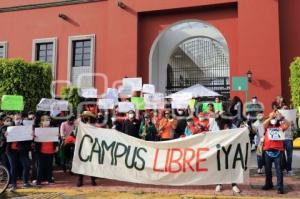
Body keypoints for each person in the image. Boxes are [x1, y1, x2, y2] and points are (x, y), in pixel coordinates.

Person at [262, 111, 290, 194]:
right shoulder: (267, 126)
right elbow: (264, 124)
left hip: (278, 151)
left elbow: (288, 124)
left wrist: (282, 117)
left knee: (279, 170)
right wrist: (271, 117)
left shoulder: (281, 127)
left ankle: (280, 187)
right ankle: (268, 184)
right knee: (267, 170)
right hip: (267, 150)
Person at [214, 112, 241, 194]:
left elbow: (238, 135)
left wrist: (242, 130)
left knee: (232, 167)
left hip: (231, 150)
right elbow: (212, 135)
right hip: (219, 149)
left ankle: (233, 184)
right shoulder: (216, 125)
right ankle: (219, 183)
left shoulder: (232, 126)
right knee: (220, 167)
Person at [6, 114, 32, 192]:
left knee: (26, 165)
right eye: (16, 118)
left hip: (22, 151)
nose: (18, 120)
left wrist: (31, 136)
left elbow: (28, 140)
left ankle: (25, 182)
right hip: (11, 151)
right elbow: (2, 133)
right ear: (13, 119)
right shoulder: (9, 127)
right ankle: (14, 184)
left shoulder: (25, 127)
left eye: (20, 118)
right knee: (13, 167)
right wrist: (5, 135)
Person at [34, 115, 58, 186]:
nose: (47, 121)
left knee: (49, 166)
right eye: (46, 120)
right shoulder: (38, 130)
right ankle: (39, 181)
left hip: (50, 150)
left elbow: (55, 139)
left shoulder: (52, 129)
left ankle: (50, 180)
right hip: (41, 151)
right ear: (42, 121)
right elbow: (35, 141)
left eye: (48, 119)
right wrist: (34, 136)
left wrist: (56, 146)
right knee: (40, 166)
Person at [76, 111, 97, 187]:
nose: (86, 117)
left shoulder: (93, 125)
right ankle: (80, 180)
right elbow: (76, 133)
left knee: (91, 162)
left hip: (91, 146)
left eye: (88, 116)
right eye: (85, 116)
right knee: (81, 163)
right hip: (82, 145)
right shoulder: (80, 125)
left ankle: (93, 180)